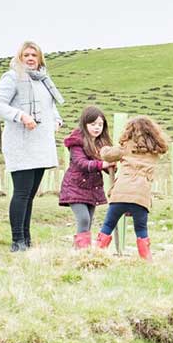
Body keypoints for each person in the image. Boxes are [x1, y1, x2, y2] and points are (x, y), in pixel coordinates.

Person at [0, 41, 64, 252]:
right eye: (26, 55)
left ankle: (27, 239)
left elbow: (49, 107)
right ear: (20, 57)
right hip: (21, 143)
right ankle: (17, 240)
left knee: (30, 195)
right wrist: (20, 115)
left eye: (34, 55)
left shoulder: (44, 80)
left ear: (40, 58)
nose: (30, 58)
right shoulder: (13, 77)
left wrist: (56, 120)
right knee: (21, 193)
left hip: (41, 143)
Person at [95, 116, 171, 260]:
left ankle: (96, 254)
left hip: (121, 194)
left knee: (108, 225)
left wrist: (104, 147)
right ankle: (146, 259)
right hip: (141, 196)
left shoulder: (126, 147)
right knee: (141, 230)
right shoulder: (155, 150)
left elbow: (107, 155)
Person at [59, 106, 113, 249]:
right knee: (83, 219)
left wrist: (113, 164)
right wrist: (103, 164)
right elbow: (81, 163)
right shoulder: (77, 142)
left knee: (88, 222)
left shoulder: (102, 144)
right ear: (85, 124)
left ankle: (79, 250)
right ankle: (82, 253)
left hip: (92, 188)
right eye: (93, 124)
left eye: (100, 124)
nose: (97, 128)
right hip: (75, 186)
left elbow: (107, 166)